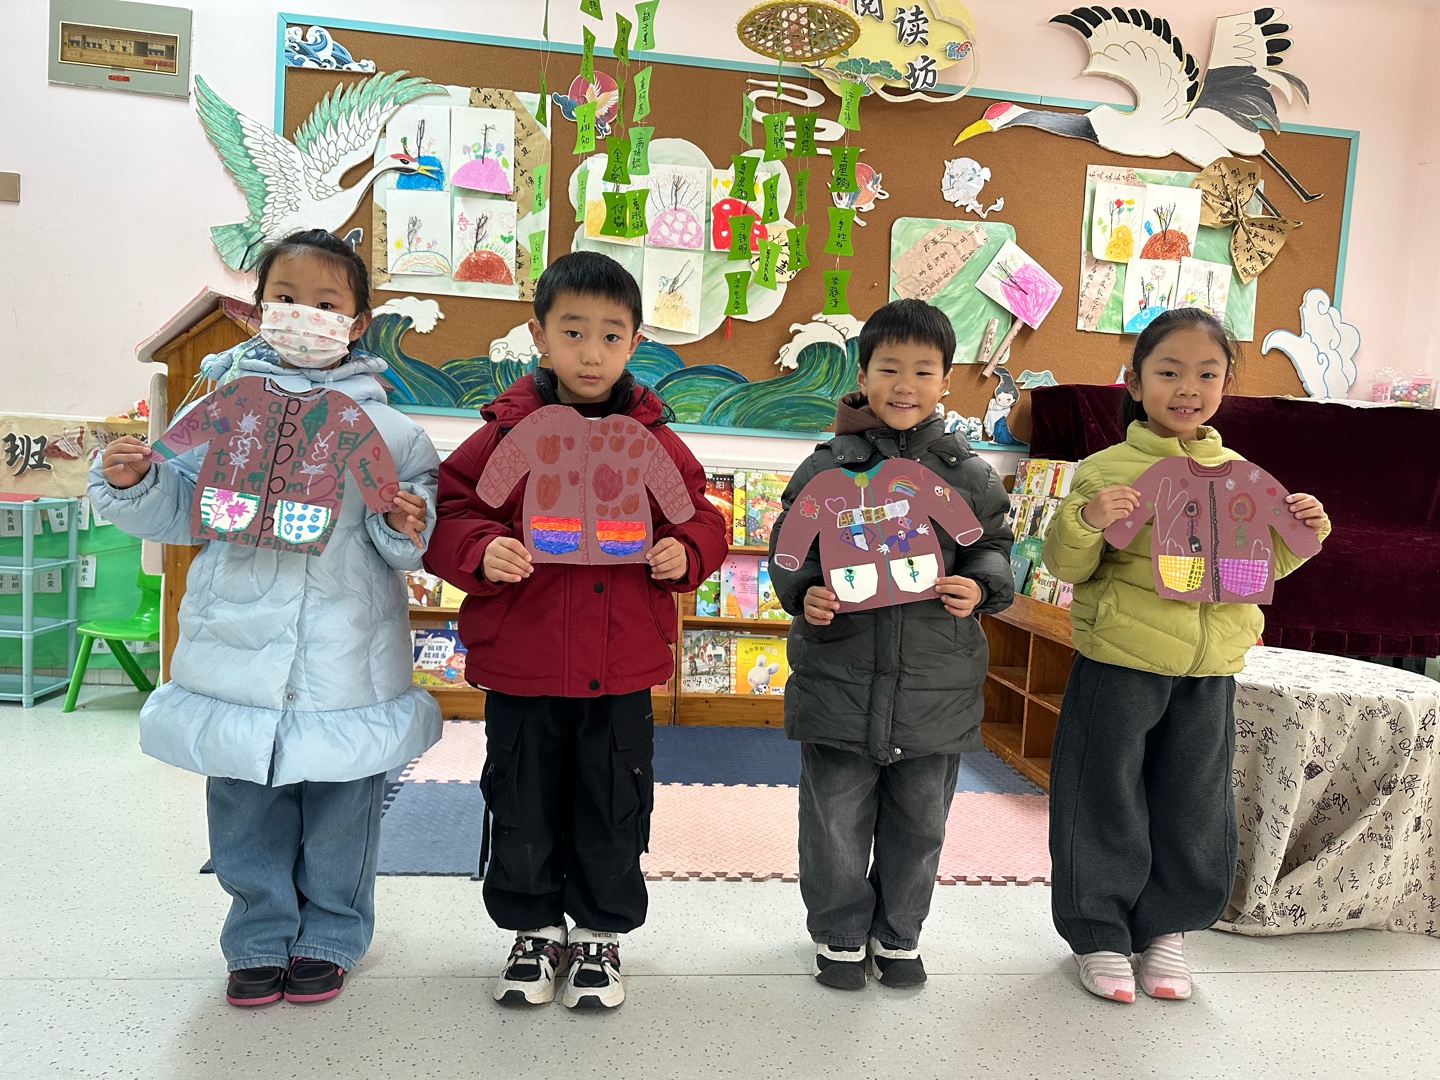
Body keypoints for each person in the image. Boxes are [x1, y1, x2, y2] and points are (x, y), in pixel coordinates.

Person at [91, 229, 442, 1008]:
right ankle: (256, 937)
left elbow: (407, 542)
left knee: (342, 809)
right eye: (285, 298)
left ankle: (331, 936)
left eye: (325, 303)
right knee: (243, 805)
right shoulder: (223, 411)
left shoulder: (391, 433)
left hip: (345, 657)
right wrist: (129, 482)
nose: (303, 315)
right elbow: (177, 507)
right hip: (236, 648)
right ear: (258, 310)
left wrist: (404, 522)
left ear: (356, 323)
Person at [424, 250, 727, 1010]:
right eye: (573, 332)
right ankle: (533, 932)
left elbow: (700, 517)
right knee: (520, 799)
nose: (592, 353)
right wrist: (479, 549)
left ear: (635, 343)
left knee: (613, 801)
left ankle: (599, 934)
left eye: (612, 336)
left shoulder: (652, 438)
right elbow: (454, 509)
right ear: (539, 335)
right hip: (523, 664)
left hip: (620, 666)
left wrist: (685, 551)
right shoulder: (507, 433)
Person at [1042, 307, 1330, 1003]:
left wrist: (1306, 533)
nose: (1188, 388)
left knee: (1194, 802)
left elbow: (1259, 567)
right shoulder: (1107, 469)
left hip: (1209, 671)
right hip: (1121, 661)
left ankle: (1165, 930)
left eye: (1207, 374)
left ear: (1226, 385)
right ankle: (1099, 933)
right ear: (1135, 382)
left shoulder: (1241, 475)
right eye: (1169, 372)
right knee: (1103, 794)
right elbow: (1066, 565)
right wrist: (1086, 519)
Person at [768, 298, 1015, 989]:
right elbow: (790, 550)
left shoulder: (969, 473)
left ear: (946, 381)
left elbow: (993, 547)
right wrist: (804, 592)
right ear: (863, 374)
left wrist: (980, 586)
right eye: (889, 368)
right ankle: (841, 934)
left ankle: (899, 933)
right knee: (833, 823)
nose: (905, 385)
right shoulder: (825, 469)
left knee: (920, 826)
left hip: (936, 690)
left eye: (923, 371)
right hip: (838, 682)